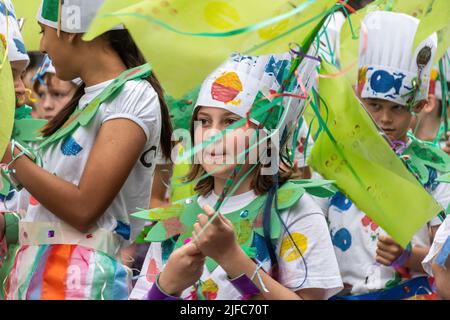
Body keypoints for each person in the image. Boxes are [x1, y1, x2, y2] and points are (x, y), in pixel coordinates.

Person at [130, 51, 343, 300]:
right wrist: (167, 285)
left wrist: (231, 257)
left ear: (266, 134)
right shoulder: (176, 222)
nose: (212, 135)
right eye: (204, 121)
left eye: (230, 121)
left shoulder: (292, 211)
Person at [0, 0, 172, 300]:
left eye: (43, 31)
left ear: (70, 30)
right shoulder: (86, 100)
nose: (42, 44)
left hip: (78, 280)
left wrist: (8, 153)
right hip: (36, 273)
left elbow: (83, 209)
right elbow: (44, 206)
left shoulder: (133, 95)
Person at [325, 11, 450, 300]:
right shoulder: (333, 161)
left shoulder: (433, 167)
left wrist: (407, 257)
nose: (385, 119)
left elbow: (445, 256)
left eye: (397, 108)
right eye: (374, 105)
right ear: (358, 100)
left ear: (418, 106)